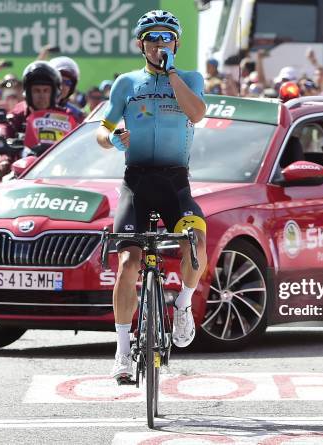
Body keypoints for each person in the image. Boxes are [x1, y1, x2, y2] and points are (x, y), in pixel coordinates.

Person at [95, 9, 207, 382]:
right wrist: (112, 138)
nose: (161, 44)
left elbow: (198, 113)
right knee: (128, 263)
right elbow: (102, 129)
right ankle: (123, 351)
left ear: (176, 43)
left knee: (196, 240)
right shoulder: (127, 82)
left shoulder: (189, 78)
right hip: (137, 182)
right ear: (141, 45)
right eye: (153, 39)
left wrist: (171, 72)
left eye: (167, 38)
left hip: (175, 182)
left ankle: (185, 306)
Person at [0, 61, 63, 189]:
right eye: (36, 91)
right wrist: (4, 159)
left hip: (60, 172)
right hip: (21, 171)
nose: (41, 96)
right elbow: (3, 127)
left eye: (45, 91)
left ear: (53, 93)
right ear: (28, 93)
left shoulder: (66, 116)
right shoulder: (18, 113)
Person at [49, 56, 85, 123]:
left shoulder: (77, 114)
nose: (62, 86)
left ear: (71, 88)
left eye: (67, 83)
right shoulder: (33, 107)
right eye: (59, 81)